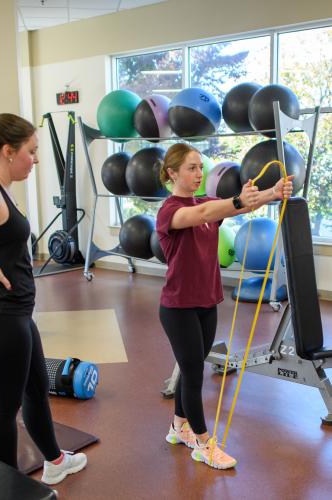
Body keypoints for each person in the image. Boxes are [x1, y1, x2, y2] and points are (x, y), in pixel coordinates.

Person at [0, 113, 87, 485]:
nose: (36, 159)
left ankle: (55, 460)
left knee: (36, 389)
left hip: (14, 315)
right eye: (32, 151)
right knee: (4, 409)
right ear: (9, 151)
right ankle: (4, 488)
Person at [156, 143, 293, 469]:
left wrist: (272, 192)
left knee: (192, 368)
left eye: (200, 167)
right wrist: (236, 200)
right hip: (178, 307)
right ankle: (203, 442)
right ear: (172, 172)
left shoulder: (207, 202)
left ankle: (179, 426)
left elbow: (235, 208)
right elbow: (204, 213)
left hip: (207, 302)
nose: (198, 174)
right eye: (191, 167)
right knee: (192, 373)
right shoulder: (170, 210)